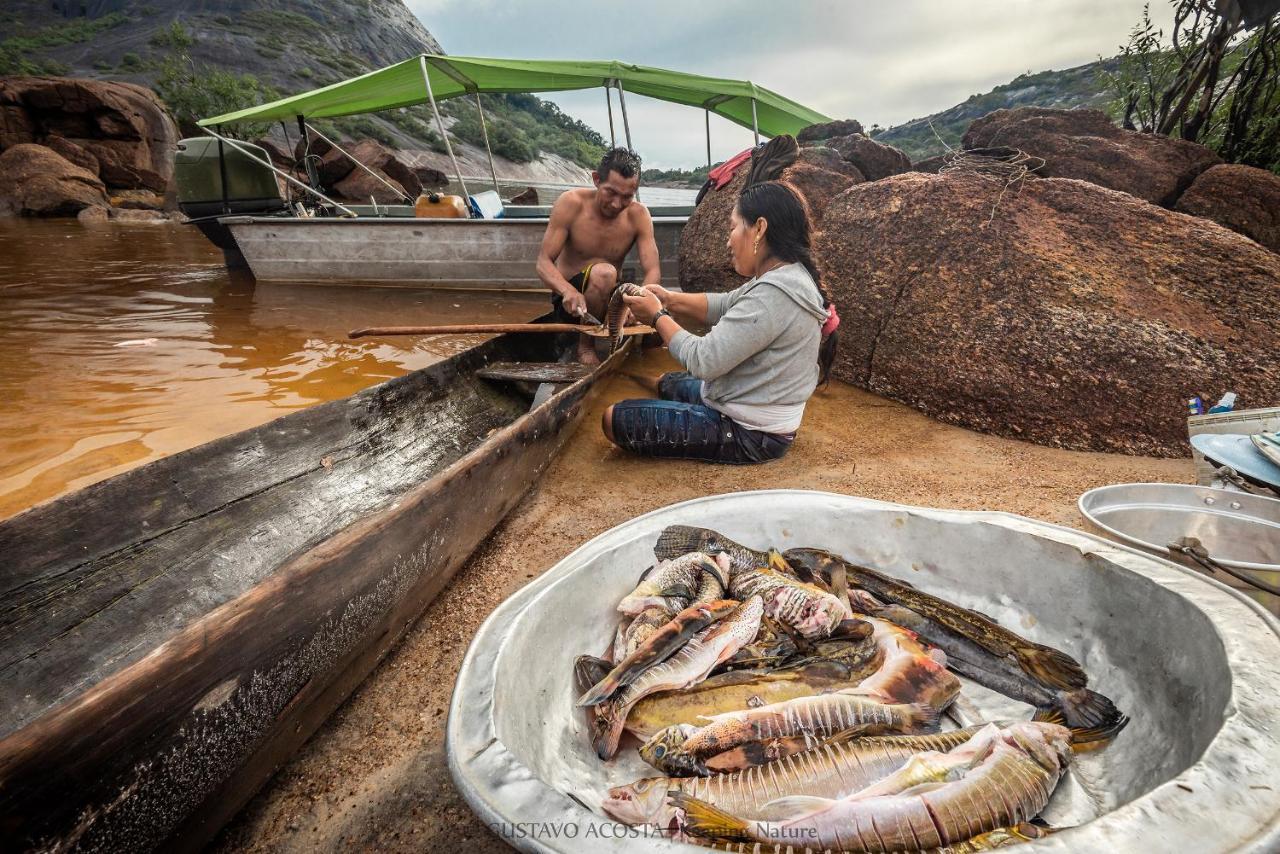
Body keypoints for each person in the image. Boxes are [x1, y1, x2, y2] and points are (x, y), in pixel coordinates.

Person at [602, 180, 840, 464]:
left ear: (760, 229)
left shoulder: (774, 294)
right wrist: (669, 299)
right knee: (668, 382)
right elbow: (726, 303)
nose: (729, 240)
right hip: (748, 404)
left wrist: (657, 316)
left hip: (751, 433)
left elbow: (703, 361)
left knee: (612, 419)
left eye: (734, 227)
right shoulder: (787, 275)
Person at [536, 147, 662, 364]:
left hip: (610, 300)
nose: (616, 204)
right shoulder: (571, 203)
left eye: (626, 197)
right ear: (596, 179)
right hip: (571, 303)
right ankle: (585, 347)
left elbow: (653, 270)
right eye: (610, 192)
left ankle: (622, 339)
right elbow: (543, 263)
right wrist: (567, 291)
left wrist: (638, 302)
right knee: (604, 272)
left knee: (661, 324)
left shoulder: (639, 215)